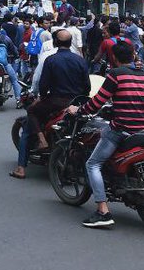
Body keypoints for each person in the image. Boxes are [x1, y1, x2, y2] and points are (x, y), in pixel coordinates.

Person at [69, 40, 144, 228]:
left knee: (93, 163)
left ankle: (102, 211)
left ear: (113, 57)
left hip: (123, 128)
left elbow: (97, 102)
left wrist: (80, 110)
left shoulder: (115, 75)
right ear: (133, 55)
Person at [12, 29, 90, 180]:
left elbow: (43, 86)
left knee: (32, 113)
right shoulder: (80, 60)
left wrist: (42, 96)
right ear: (70, 43)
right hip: (77, 103)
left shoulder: (51, 60)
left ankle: (25, 162)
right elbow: (86, 86)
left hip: (56, 102)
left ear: (55, 42)